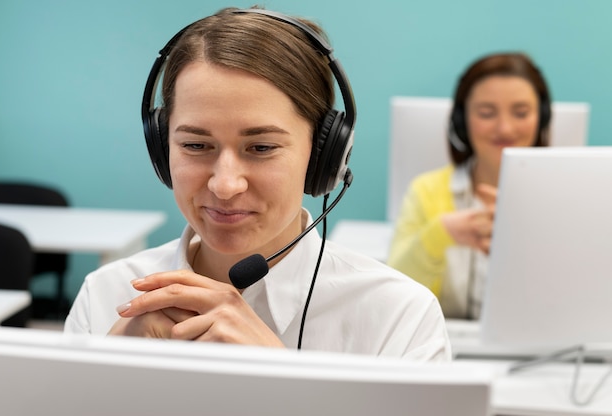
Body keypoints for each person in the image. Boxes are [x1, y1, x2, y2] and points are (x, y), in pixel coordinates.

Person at [64, 6, 451, 360]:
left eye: (261, 147)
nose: (225, 185)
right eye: (196, 145)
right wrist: (101, 376)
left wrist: (282, 378)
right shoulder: (106, 296)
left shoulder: (398, 318)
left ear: (322, 156)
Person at [387, 52, 551, 320]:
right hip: (447, 346)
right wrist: (440, 233)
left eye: (521, 113)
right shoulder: (425, 190)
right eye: (487, 113)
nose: (505, 128)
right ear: (462, 122)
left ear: (541, 118)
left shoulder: (565, 197)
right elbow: (393, 295)